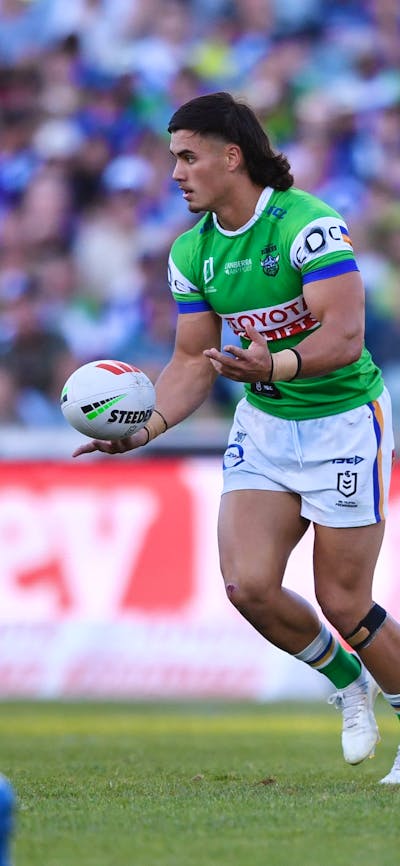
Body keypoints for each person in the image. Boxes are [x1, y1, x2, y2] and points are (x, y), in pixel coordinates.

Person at [73, 91, 400, 783]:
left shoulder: (307, 226)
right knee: (247, 585)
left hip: (344, 421)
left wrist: (274, 363)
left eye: (188, 157)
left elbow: (344, 336)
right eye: (172, 159)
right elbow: (191, 361)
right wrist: (146, 427)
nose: (176, 173)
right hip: (267, 425)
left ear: (232, 155)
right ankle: (348, 682)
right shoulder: (191, 254)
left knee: (344, 599)